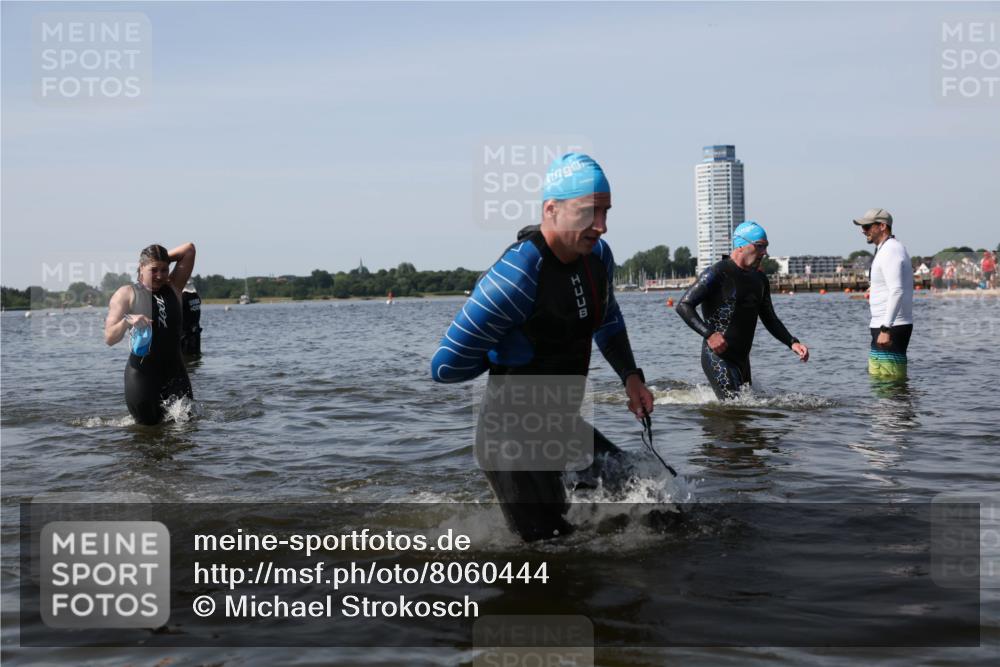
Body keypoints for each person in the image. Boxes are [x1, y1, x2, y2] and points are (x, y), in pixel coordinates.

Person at [430, 153, 654, 542]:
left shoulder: (597, 257)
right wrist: (497, 349)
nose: (601, 226)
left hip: (563, 425)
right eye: (589, 212)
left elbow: (608, 320)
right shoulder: (515, 277)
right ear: (551, 209)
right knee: (551, 550)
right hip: (510, 440)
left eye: (605, 212)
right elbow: (443, 368)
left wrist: (630, 377)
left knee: (654, 503)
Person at [676, 220, 809, 400]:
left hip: (743, 361)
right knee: (734, 410)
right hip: (718, 357)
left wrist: (792, 342)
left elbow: (769, 318)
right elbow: (684, 305)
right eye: (760, 246)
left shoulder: (760, 279)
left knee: (746, 411)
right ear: (741, 245)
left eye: (766, 246)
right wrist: (709, 335)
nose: (765, 252)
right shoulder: (717, 273)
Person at [104, 243, 197, 425]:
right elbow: (109, 337)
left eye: (164, 270)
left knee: (187, 427)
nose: (160, 276)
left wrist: (160, 258)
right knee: (148, 430)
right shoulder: (127, 294)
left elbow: (189, 249)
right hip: (142, 375)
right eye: (153, 270)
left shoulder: (174, 286)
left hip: (175, 372)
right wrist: (127, 320)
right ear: (141, 268)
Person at [854, 208, 913, 380]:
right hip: (884, 325)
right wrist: (874, 290)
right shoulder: (886, 249)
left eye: (867, 227)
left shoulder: (891, 250)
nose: (863, 231)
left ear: (882, 226)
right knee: (879, 381)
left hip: (891, 327)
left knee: (890, 384)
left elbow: (897, 290)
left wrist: (886, 328)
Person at [181, 280, 203, 358]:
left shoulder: (183, 297)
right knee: (195, 358)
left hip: (185, 335)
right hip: (195, 333)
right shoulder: (196, 296)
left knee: (185, 359)